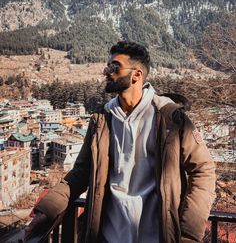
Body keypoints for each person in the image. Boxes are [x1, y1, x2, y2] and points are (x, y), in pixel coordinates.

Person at [26, 41, 215, 243]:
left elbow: (203, 170)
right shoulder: (101, 120)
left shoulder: (170, 119)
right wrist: (47, 210)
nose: (107, 71)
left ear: (137, 75)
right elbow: (81, 172)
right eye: (108, 66)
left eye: (115, 67)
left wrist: (188, 232)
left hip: (157, 237)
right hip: (107, 237)